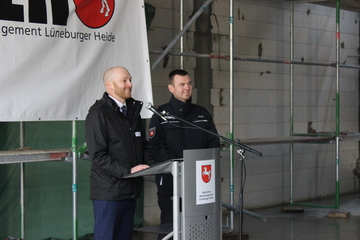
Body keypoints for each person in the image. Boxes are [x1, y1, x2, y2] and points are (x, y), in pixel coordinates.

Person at [148, 69, 220, 239]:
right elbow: (156, 147)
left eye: (189, 83)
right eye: (181, 84)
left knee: (199, 227)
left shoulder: (202, 114)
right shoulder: (161, 115)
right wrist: (179, 168)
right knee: (171, 227)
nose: (187, 87)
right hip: (171, 183)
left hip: (200, 184)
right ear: (171, 88)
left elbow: (213, 144)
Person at [85, 66, 156, 240]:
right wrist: (128, 171)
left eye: (130, 79)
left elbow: (143, 146)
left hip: (129, 191)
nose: (130, 84)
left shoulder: (132, 112)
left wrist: (152, 166)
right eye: (124, 81)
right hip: (108, 193)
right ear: (110, 86)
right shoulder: (98, 114)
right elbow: (98, 155)